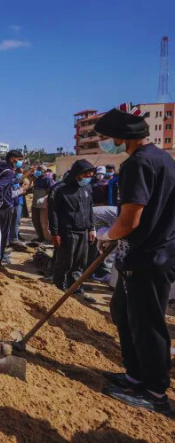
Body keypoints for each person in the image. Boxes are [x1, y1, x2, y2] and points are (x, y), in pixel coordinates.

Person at [93, 103, 175, 414]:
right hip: (145, 252)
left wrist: (105, 236)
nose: (105, 144)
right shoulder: (161, 159)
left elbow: (129, 221)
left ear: (121, 137)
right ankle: (134, 374)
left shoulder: (138, 164)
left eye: (106, 138)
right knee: (123, 310)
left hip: (150, 255)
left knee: (147, 322)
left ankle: (154, 391)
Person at [47, 159, 96, 302]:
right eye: (86, 175)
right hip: (67, 233)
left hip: (83, 231)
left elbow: (90, 209)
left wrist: (91, 228)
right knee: (64, 263)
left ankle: (76, 289)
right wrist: (55, 233)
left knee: (79, 263)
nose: (88, 178)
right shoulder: (59, 189)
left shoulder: (87, 188)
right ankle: (58, 289)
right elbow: (53, 213)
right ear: (78, 174)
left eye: (91, 176)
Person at [0, 150, 27, 266]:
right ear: (13, 159)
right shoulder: (9, 172)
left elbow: (6, 190)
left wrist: (19, 191)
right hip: (4, 208)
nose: (21, 162)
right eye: (20, 159)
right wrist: (1, 201)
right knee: (2, 235)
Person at [31, 167, 55, 242]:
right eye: (38, 169)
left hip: (44, 205)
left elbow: (51, 193)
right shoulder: (38, 179)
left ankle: (47, 238)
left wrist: (43, 198)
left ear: (45, 171)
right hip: (35, 204)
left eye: (40, 169)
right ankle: (41, 237)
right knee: (36, 221)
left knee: (44, 223)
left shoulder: (48, 180)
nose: (38, 171)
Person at [9, 168, 26, 245]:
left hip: (19, 202)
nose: (21, 174)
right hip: (14, 203)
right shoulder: (12, 181)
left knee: (17, 221)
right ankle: (14, 238)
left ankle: (15, 235)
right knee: (14, 221)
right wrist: (21, 190)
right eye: (19, 172)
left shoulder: (20, 182)